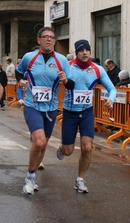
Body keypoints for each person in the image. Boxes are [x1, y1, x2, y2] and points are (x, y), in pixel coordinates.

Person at [16, 26, 70, 195]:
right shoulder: (29, 58)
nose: (48, 39)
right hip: (32, 105)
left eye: (52, 37)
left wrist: (65, 80)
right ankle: (30, 177)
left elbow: (71, 84)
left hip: (51, 107)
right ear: (38, 40)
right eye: (45, 37)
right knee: (38, 141)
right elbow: (19, 73)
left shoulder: (62, 60)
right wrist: (21, 82)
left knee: (44, 143)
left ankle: (33, 174)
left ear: (54, 41)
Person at [57, 39, 116, 193]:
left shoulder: (97, 69)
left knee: (87, 147)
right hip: (70, 113)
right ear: (76, 52)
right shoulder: (68, 67)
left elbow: (111, 88)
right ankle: (62, 148)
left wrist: (111, 99)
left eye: (87, 50)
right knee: (68, 150)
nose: (84, 52)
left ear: (90, 52)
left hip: (87, 113)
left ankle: (80, 179)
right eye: (81, 50)